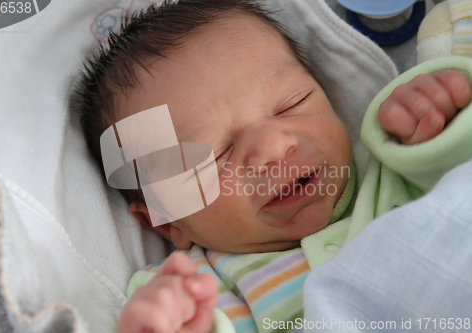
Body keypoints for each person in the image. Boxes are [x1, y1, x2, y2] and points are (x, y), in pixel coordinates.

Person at [73, 0, 471, 332]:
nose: (273, 147)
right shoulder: (195, 288)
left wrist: (437, 122)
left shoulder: (392, 161)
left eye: (291, 104)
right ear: (164, 222)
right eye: (214, 154)